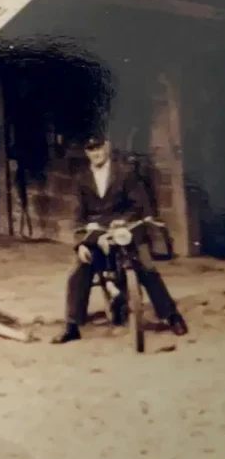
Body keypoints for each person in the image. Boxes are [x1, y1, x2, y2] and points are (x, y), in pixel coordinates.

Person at [53, 133, 188, 344]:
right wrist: (80, 243)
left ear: (107, 147)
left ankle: (171, 316)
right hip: (97, 233)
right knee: (78, 270)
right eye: (91, 150)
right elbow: (78, 215)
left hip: (125, 229)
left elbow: (138, 205)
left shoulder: (125, 173)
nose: (95, 153)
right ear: (87, 153)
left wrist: (122, 222)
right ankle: (72, 325)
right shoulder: (82, 179)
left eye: (98, 148)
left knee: (146, 267)